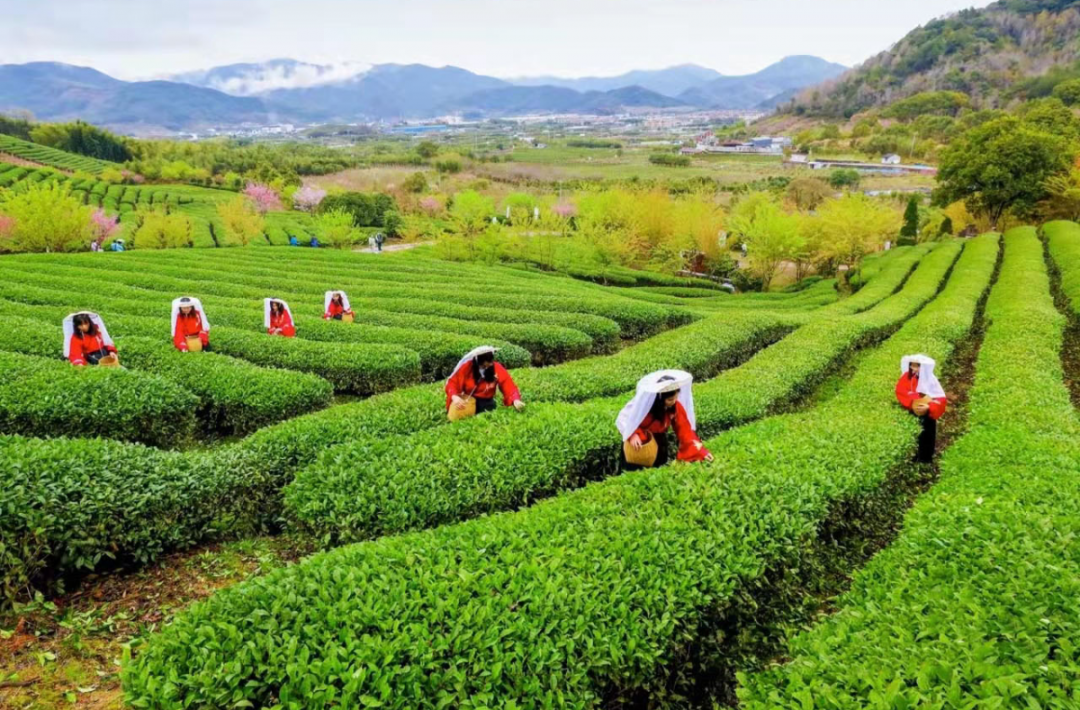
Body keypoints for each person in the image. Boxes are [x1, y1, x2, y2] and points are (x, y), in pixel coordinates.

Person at [616, 370, 713, 469]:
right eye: (670, 400)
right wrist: (633, 434)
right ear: (660, 398)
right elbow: (624, 418)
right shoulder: (643, 406)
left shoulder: (676, 407)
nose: (674, 402)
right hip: (639, 444)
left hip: (659, 444)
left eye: (676, 398)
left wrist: (701, 452)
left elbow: (685, 430)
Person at [896, 354, 947, 463]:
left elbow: (940, 398)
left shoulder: (931, 380)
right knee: (915, 434)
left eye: (916, 366)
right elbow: (900, 391)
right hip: (912, 411)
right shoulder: (907, 377)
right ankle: (915, 456)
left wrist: (929, 406)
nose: (913, 369)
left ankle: (926, 458)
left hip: (928, 414)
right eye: (912, 366)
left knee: (927, 434)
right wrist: (913, 402)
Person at [445, 346, 525, 416]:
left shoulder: (496, 367)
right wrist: (454, 397)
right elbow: (452, 382)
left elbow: (508, 385)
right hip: (470, 404)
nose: (490, 364)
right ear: (480, 361)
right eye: (487, 362)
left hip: (487, 404)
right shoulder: (467, 367)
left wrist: (515, 400)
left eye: (491, 361)